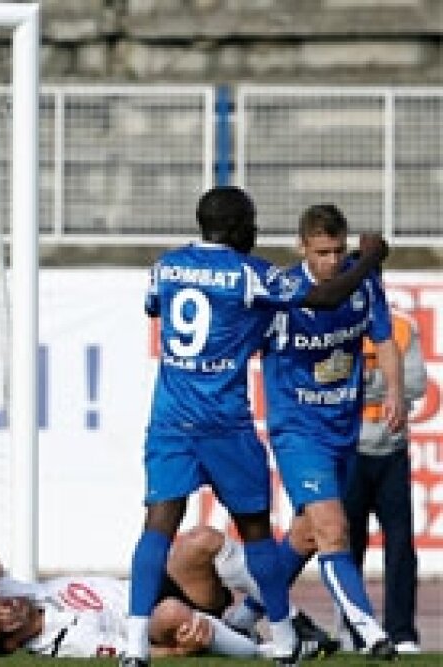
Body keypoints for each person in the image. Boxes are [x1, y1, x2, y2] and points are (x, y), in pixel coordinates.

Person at [120, 187, 390, 667]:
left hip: (169, 419)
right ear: (242, 227)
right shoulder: (251, 274)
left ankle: (134, 645)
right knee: (256, 531)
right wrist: (368, 258)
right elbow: (325, 297)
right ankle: (285, 639)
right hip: (224, 421)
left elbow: (155, 309)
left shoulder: (165, 265)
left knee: (158, 525)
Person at [227, 204, 405, 661]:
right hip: (297, 430)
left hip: (342, 429)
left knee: (307, 535)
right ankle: (369, 631)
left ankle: (245, 616)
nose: (332, 261)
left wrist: (396, 394)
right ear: (302, 247)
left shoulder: (363, 283)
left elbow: (383, 338)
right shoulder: (282, 291)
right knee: (332, 527)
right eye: (322, 252)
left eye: (339, 251)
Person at [0, 520, 328, 659]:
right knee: (172, 613)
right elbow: (132, 653)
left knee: (202, 539)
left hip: (158, 587)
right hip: (157, 619)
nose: (4, 607)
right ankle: (269, 649)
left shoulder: (17, 591)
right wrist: (181, 649)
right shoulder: (65, 642)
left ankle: (249, 620)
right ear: (11, 644)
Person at [343, 307, 427, 654]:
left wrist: (367, 382)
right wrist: (388, 385)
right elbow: (331, 384)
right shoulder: (337, 322)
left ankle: (402, 632)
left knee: (400, 546)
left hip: (391, 450)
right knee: (348, 546)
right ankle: (355, 631)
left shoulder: (401, 327)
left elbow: (416, 384)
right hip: (349, 449)